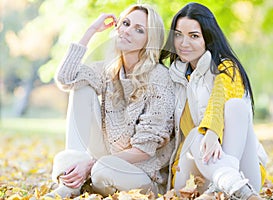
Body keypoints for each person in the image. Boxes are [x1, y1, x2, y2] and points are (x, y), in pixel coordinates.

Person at [45, 4, 175, 199]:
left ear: (149, 40)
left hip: (143, 174)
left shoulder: (159, 78)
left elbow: (144, 149)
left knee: (102, 171)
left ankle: (81, 176)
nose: (127, 31)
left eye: (139, 30)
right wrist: (91, 31)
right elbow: (66, 78)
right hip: (107, 156)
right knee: (81, 88)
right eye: (125, 23)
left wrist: (91, 164)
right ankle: (72, 184)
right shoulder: (109, 71)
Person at [159, 2, 268, 200]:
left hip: (243, 172)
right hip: (195, 175)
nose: (183, 43)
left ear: (208, 38)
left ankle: (226, 187)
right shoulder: (172, 78)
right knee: (193, 136)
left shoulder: (226, 69)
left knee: (236, 106)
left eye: (194, 36)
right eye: (178, 35)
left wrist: (212, 130)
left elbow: (220, 96)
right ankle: (229, 188)